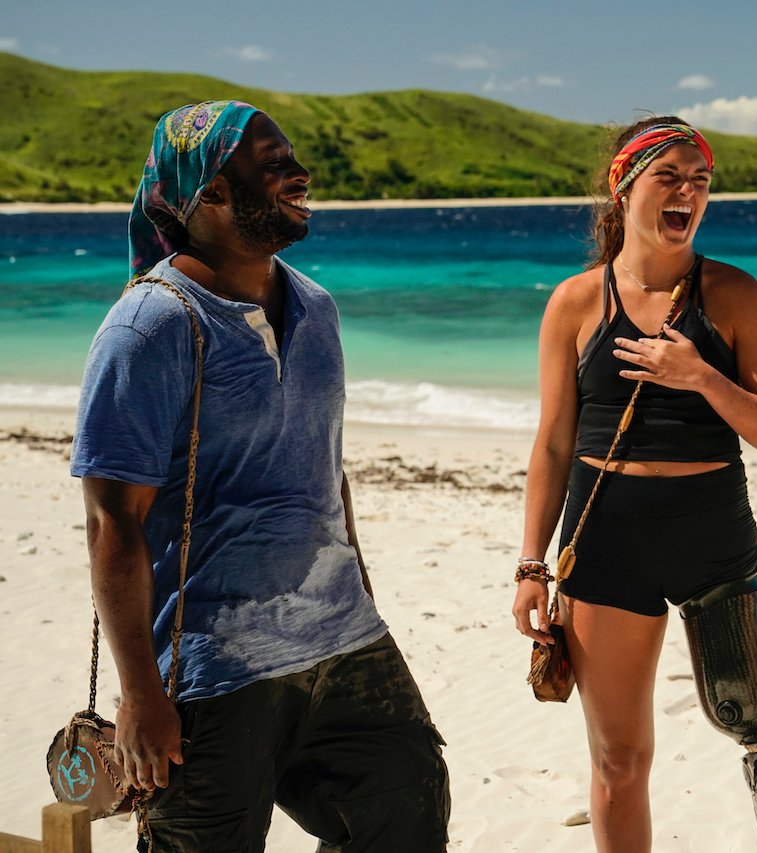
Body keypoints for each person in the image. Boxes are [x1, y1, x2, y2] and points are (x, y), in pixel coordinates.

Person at [71, 101, 449, 851]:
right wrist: (142, 694)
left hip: (344, 641)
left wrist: (362, 594)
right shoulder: (150, 327)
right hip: (214, 668)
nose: (299, 175)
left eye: (292, 158)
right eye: (272, 165)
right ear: (209, 193)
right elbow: (114, 523)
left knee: (409, 810)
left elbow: (326, 469)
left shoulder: (316, 307)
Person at [511, 117, 757, 852]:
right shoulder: (576, 303)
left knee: (751, 726)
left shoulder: (734, 294)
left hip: (716, 538)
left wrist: (701, 377)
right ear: (624, 185)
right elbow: (551, 444)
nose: (688, 192)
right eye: (668, 176)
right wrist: (530, 564)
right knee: (618, 758)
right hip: (608, 543)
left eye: (700, 180)